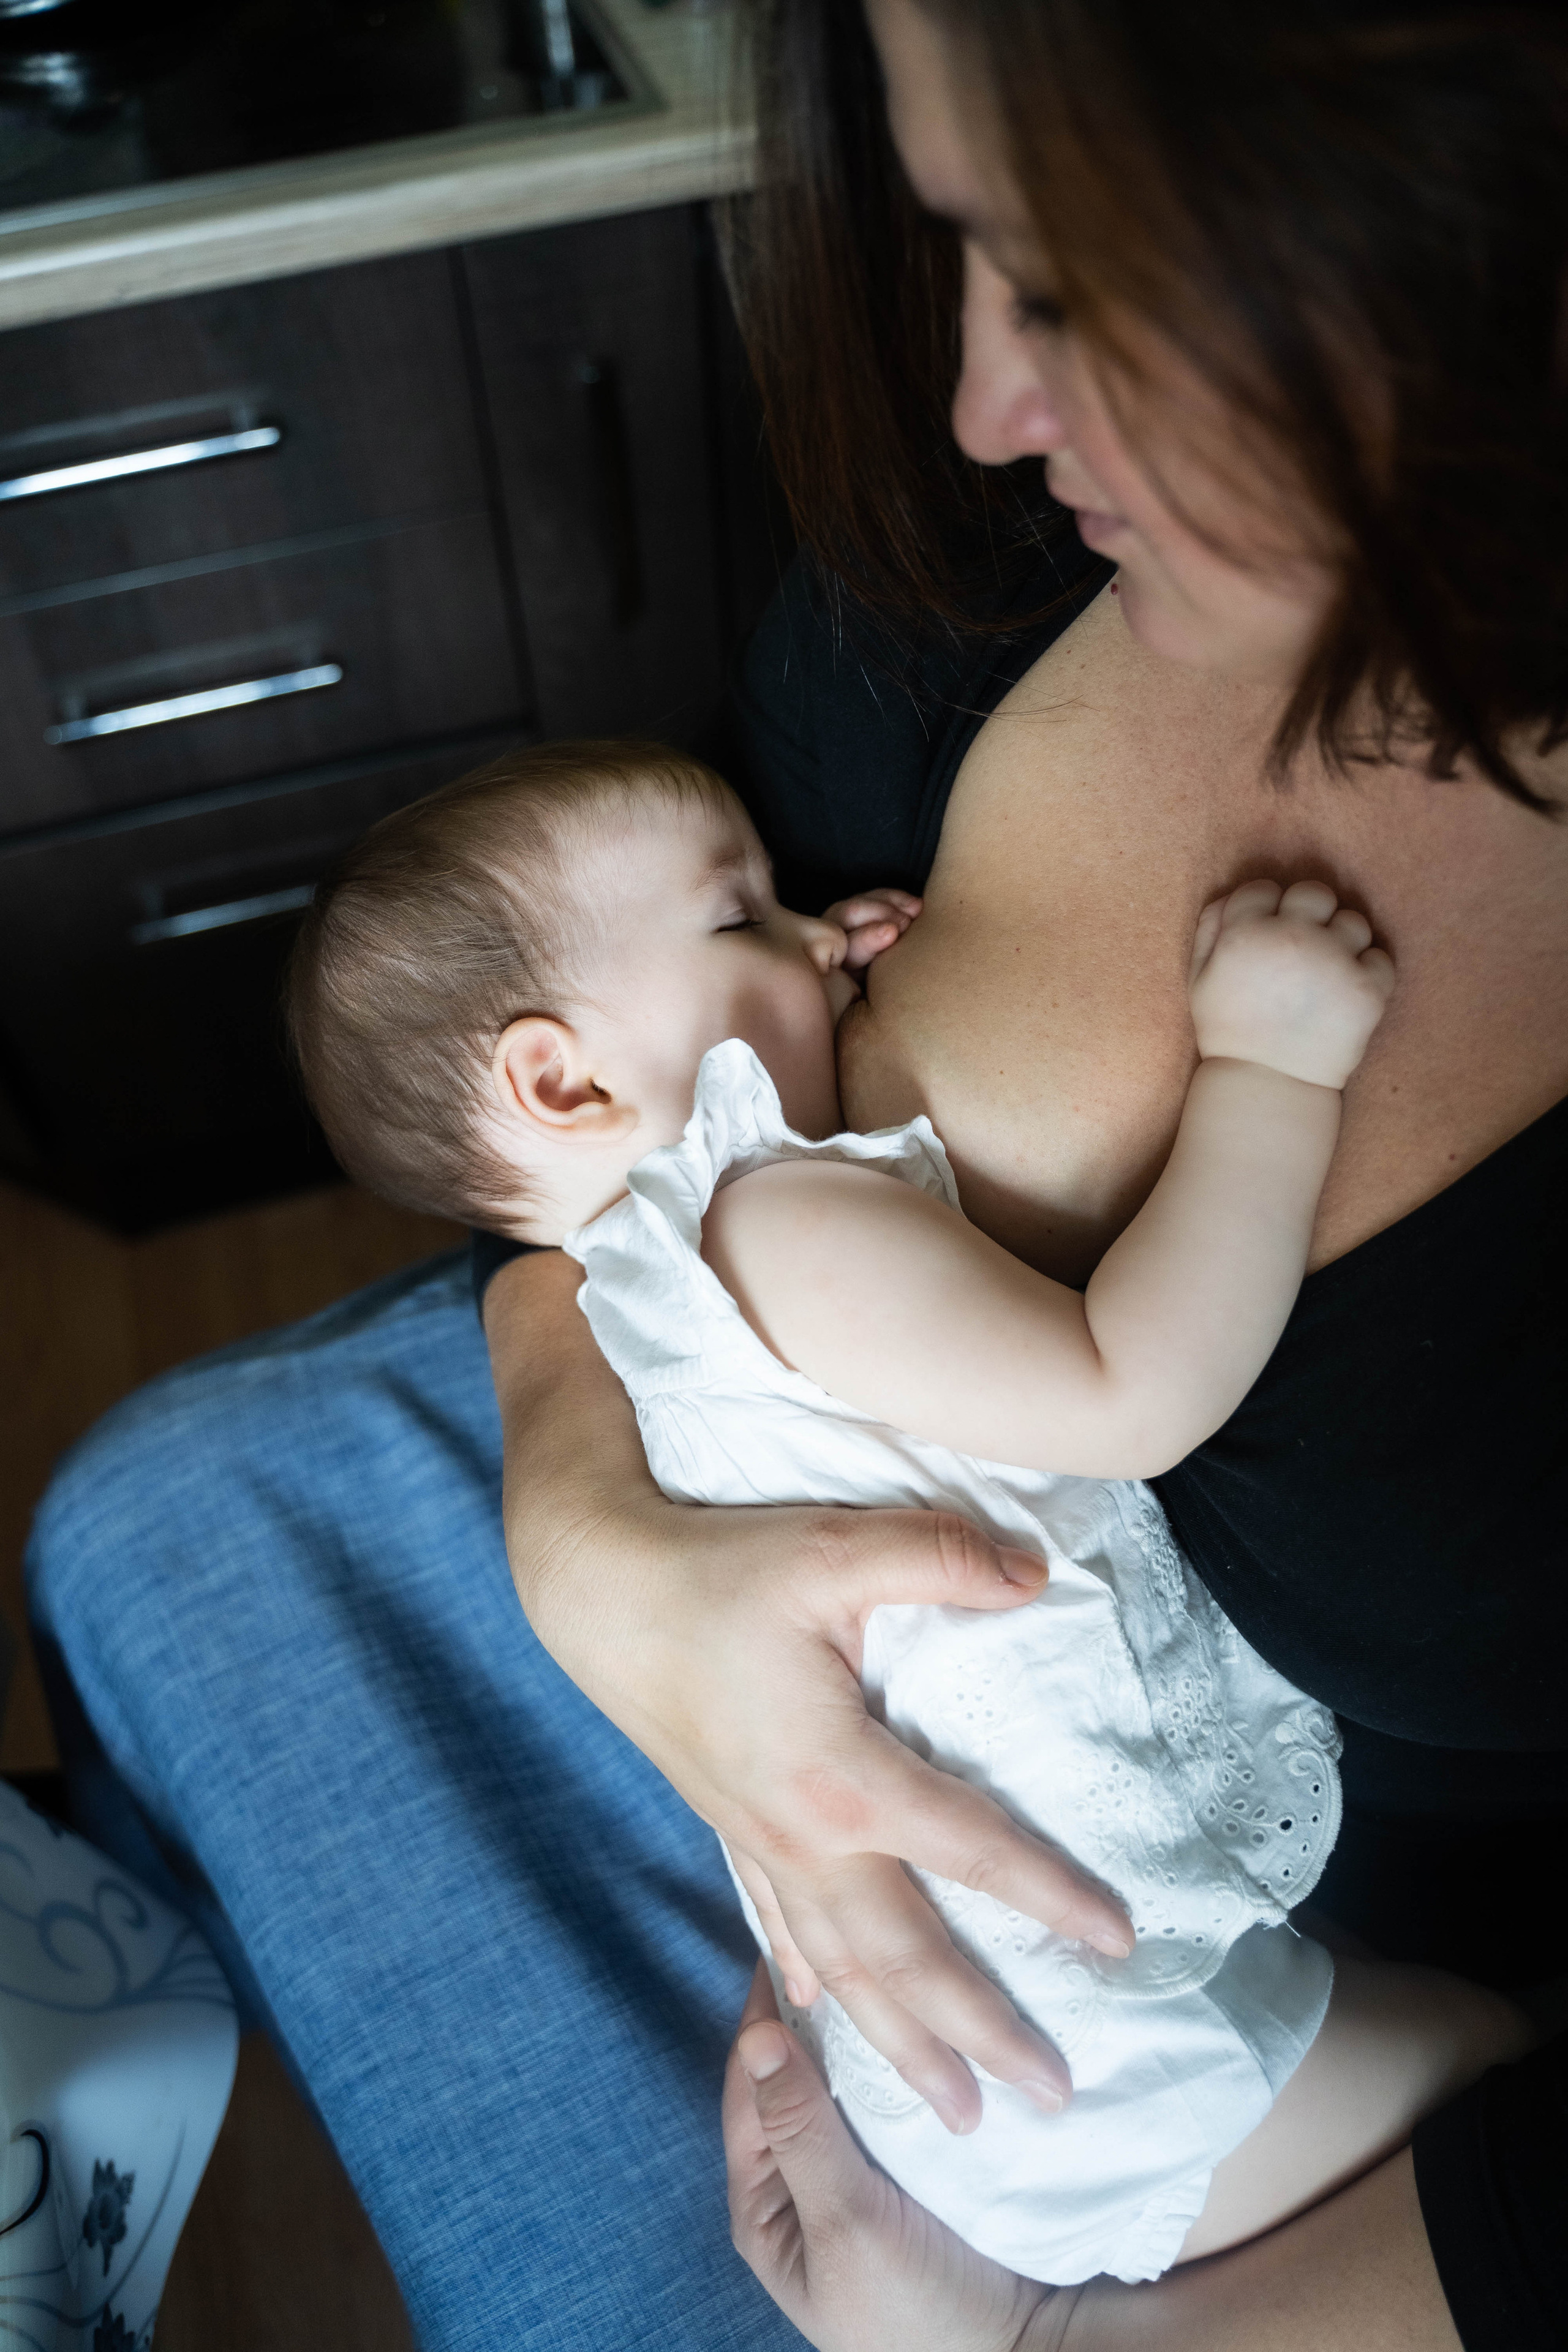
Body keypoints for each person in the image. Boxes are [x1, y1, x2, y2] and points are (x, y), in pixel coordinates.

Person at [23, 0, 1566, 2345]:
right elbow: (593, 1223)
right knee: (143, 1509)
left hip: (1164, 2020)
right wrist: (607, 1560)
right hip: (1012, 1986)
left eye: (1071, 284)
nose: (981, 406)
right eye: (968, 244)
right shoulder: (1005, 550)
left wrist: (1062, 2340)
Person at [286, 734, 1528, 2283]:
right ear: (561, 1076)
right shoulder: (777, 1219)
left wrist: (792, 972)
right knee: (1495, 2063)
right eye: (745, 919)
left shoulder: (628, 1304)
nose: (825, 935)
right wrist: (1267, 1076)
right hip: (1093, 2056)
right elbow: (1127, 1391)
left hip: (999, 2062)